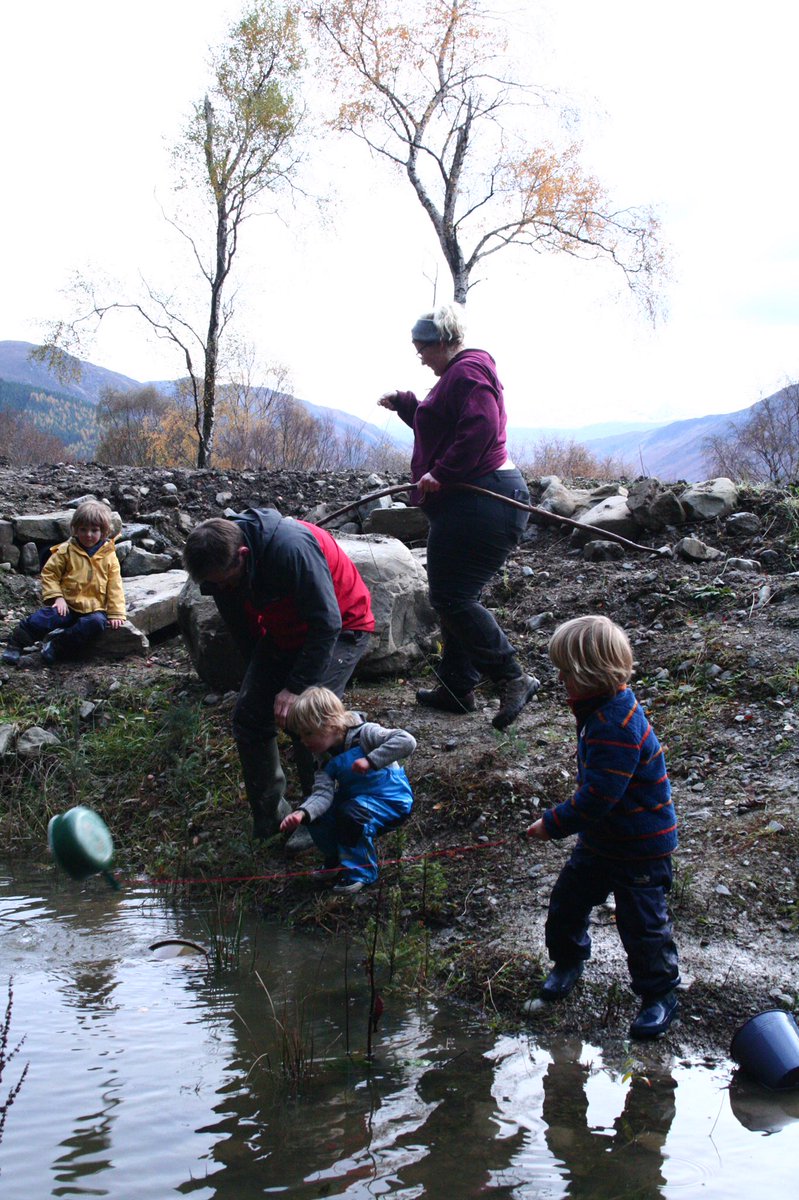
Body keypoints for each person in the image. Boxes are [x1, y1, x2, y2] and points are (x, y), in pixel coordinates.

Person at [378, 303, 537, 730]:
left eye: (423, 349)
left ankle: (512, 678)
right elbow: (445, 425)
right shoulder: (459, 375)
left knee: (452, 598)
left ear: (444, 342)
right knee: (454, 594)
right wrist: (408, 406)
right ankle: (455, 687)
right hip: (477, 502)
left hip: (485, 502)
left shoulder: (467, 371)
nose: (421, 358)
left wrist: (441, 472)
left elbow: (480, 426)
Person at [526, 615, 680, 1039]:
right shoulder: (598, 709)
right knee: (568, 902)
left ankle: (659, 994)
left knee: (643, 925)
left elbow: (598, 796)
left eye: (566, 672)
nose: (560, 680)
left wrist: (551, 824)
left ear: (591, 674)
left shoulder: (615, 724)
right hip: (601, 841)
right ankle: (569, 961)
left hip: (640, 846)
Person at [182, 509, 375, 841]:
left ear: (243, 555)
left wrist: (296, 687)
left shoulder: (290, 549)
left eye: (225, 581)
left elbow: (327, 623)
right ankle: (272, 820)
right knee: (249, 715)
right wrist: (261, 684)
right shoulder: (218, 572)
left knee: (309, 718)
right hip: (285, 634)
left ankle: (323, 817)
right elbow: (245, 635)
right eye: (213, 585)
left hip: (342, 627)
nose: (221, 589)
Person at [279, 686, 415, 894]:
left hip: (390, 800)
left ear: (330, 723)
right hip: (357, 800)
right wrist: (303, 813)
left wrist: (371, 761)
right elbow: (322, 794)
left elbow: (407, 741)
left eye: (308, 733)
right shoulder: (324, 757)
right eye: (300, 735)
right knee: (318, 816)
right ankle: (337, 859)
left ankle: (361, 872)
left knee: (350, 814)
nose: (304, 741)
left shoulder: (366, 734)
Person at [1, 499, 126, 668]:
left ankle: (56, 645)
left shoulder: (109, 555)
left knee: (95, 623)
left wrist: (116, 613)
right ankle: (16, 643)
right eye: (83, 529)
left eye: (94, 530)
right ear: (75, 529)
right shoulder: (66, 550)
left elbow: (115, 586)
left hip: (95, 608)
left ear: (103, 531)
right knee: (44, 618)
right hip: (68, 603)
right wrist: (57, 597)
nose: (88, 535)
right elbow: (50, 574)